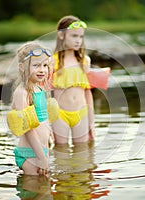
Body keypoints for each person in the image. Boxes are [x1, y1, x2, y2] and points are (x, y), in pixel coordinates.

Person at [9, 41, 53, 176]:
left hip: (41, 150)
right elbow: (28, 129)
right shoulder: (22, 93)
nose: (42, 70)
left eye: (45, 65)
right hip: (30, 153)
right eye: (36, 65)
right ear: (22, 67)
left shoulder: (39, 88)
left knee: (44, 192)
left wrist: (49, 132)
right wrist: (42, 158)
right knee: (34, 191)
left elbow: (41, 118)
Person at [51, 15, 95, 144]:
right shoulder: (53, 61)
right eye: (74, 36)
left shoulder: (84, 61)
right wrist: (46, 122)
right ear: (61, 35)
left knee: (82, 150)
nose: (78, 41)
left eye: (81, 37)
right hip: (60, 113)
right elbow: (47, 93)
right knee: (60, 151)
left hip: (81, 112)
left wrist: (91, 121)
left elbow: (88, 92)